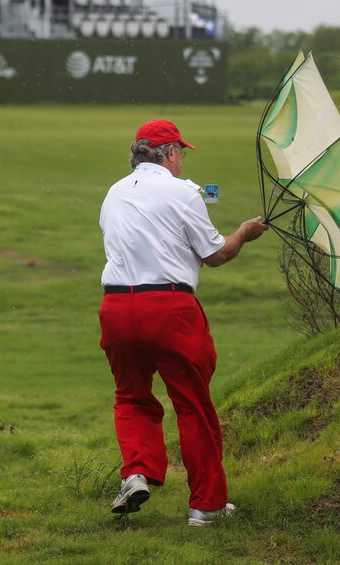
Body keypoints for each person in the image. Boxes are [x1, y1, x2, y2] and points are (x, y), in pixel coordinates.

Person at [98, 119, 267, 526]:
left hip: (116, 308)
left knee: (132, 396)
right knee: (193, 406)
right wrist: (243, 233)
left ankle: (136, 472)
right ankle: (206, 506)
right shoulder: (185, 191)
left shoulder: (114, 192)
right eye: (182, 153)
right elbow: (215, 254)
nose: (182, 160)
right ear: (170, 152)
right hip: (169, 308)